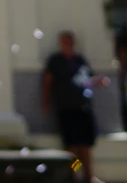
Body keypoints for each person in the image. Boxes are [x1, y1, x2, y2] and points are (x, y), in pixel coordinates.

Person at [42, 30, 110, 182]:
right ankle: (73, 174)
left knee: (85, 144)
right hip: (66, 107)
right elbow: (47, 82)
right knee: (72, 145)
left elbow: (88, 79)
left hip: (83, 107)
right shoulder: (55, 61)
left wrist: (97, 81)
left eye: (70, 41)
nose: (68, 44)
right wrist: (45, 102)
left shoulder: (80, 60)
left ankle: (88, 175)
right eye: (65, 42)